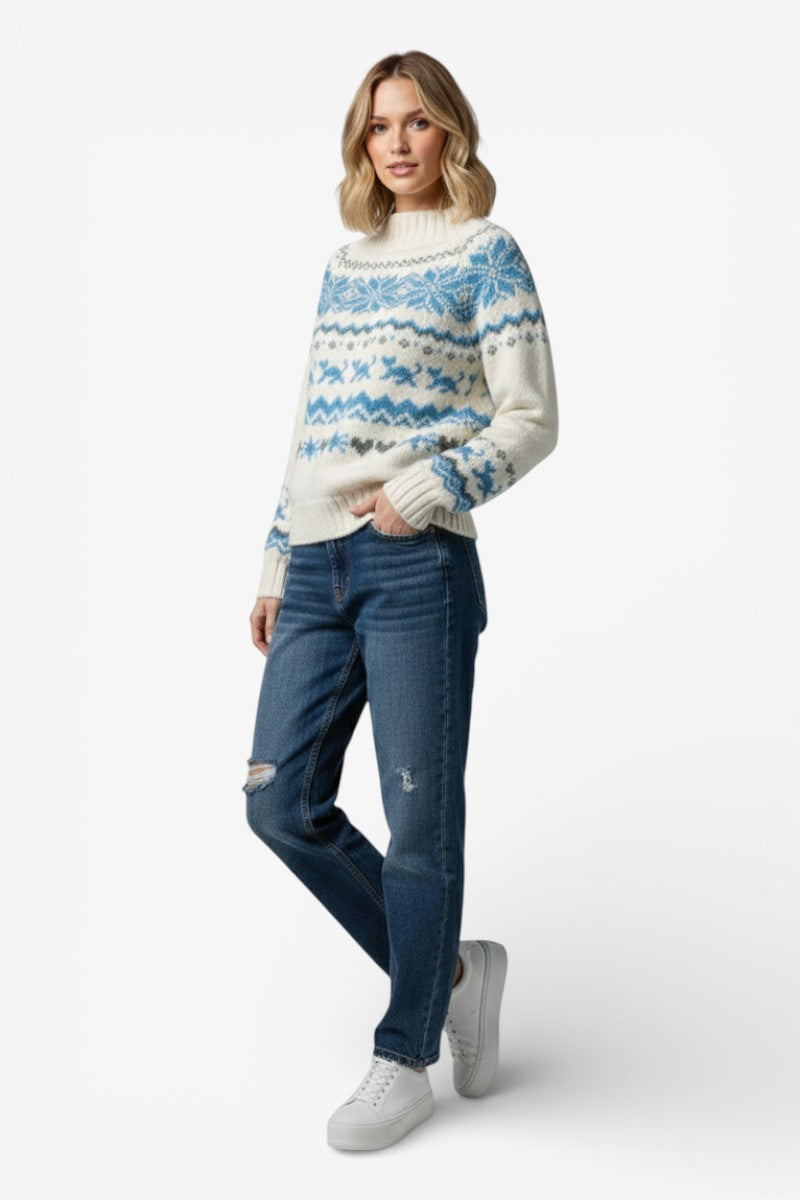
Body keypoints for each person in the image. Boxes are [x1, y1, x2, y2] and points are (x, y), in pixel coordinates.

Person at [243, 49, 558, 1152]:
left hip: (416, 563)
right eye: (379, 126)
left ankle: (404, 1053)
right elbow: (310, 426)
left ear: (449, 134)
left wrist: (427, 491)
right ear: (360, 142)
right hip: (319, 562)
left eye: (417, 122)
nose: (397, 143)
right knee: (279, 804)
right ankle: (454, 975)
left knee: (420, 820)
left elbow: (530, 418)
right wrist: (277, 557)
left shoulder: (485, 254)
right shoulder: (344, 266)